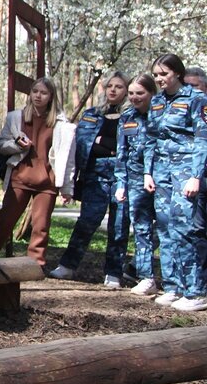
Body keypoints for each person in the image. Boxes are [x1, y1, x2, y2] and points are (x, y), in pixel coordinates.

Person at [0, 77, 76, 268]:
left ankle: (35, 265)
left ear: (51, 97)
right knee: (5, 220)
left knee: (41, 226)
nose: (38, 96)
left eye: (43, 93)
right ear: (30, 94)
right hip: (20, 177)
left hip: (47, 181)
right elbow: (1, 146)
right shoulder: (17, 117)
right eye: (35, 91)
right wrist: (16, 145)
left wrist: (67, 187)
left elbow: (68, 158)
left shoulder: (61, 123)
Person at [50, 72, 129, 285]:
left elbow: (129, 147)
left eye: (119, 86)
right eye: (110, 85)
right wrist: (107, 144)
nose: (113, 90)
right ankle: (67, 266)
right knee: (87, 221)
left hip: (123, 177)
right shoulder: (92, 114)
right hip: (95, 175)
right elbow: (84, 145)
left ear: (127, 90)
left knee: (119, 225)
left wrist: (105, 143)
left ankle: (114, 272)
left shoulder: (132, 115)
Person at [143, 54, 207, 311]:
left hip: (185, 172)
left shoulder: (197, 99)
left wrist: (196, 176)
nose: (159, 79)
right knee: (166, 228)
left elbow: (203, 140)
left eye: (164, 74)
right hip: (161, 172)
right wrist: (148, 172)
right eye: (156, 75)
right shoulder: (157, 101)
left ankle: (197, 291)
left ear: (177, 74)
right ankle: (174, 286)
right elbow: (150, 138)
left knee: (186, 229)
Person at [114, 74, 160, 295]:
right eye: (131, 93)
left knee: (167, 228)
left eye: (140, 93)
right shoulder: (126, 117)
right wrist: (121, 183)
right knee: (141, 228)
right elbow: (121, 154)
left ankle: (175, 280)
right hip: (134, 180)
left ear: (152, 93)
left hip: (162, 178)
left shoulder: (163, 114)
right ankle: (146, 277)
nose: (134, 97)